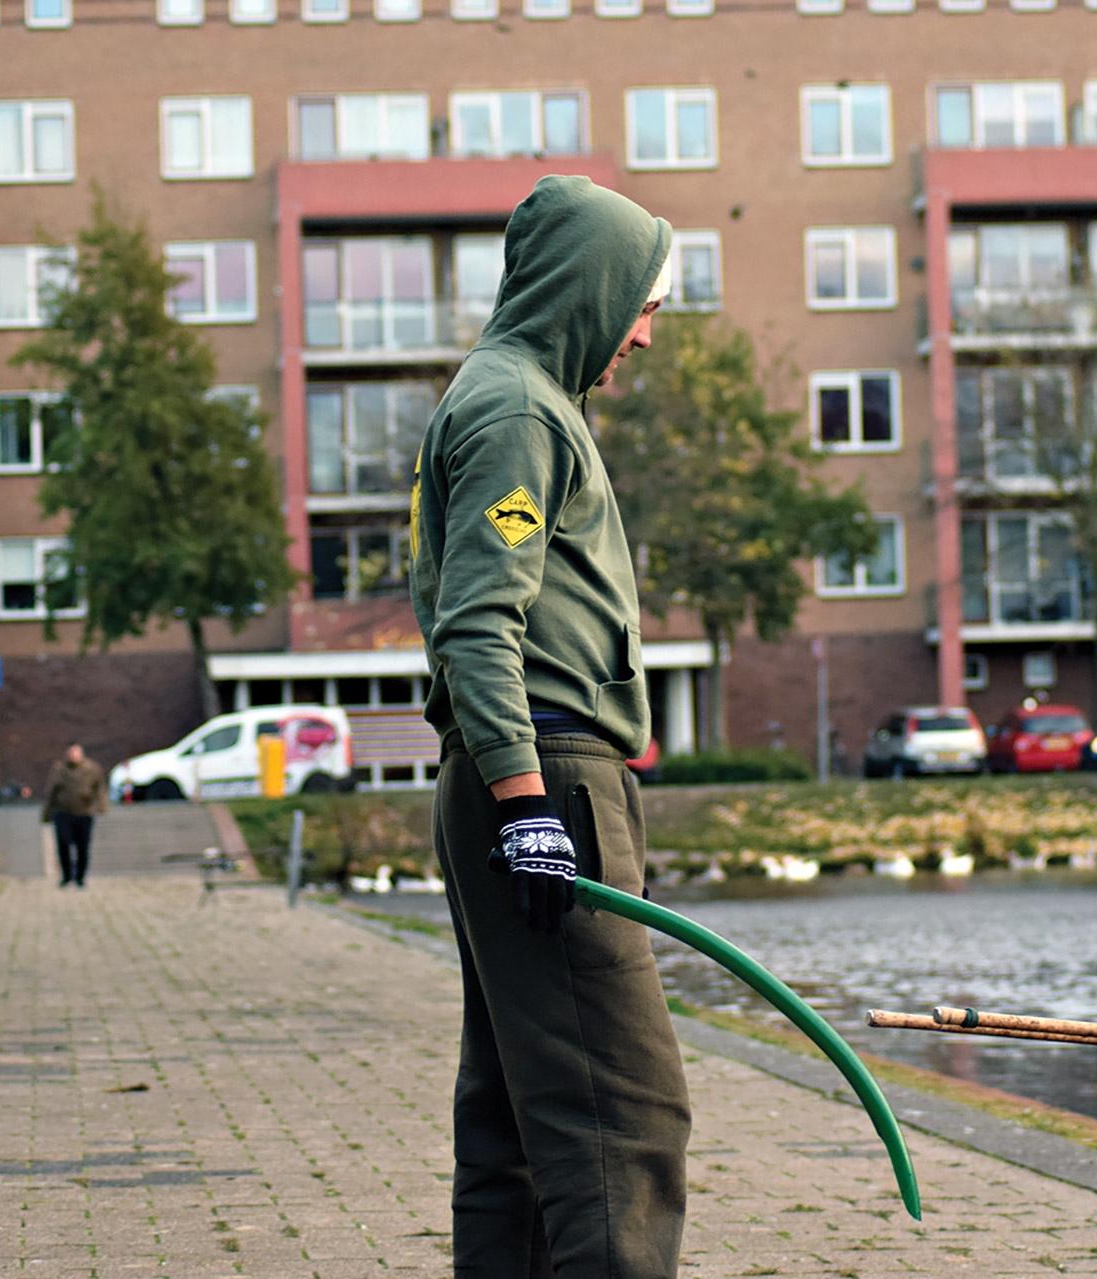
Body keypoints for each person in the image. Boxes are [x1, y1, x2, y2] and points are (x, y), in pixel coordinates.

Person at [410, 175, 690, 1279]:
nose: (645, 336)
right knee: (623, 1115)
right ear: (592, 287)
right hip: (546, 771)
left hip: (526, 773)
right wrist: (531, 806)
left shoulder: (509, 397)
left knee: (519, 1114)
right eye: (643, 306)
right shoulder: (519, 410)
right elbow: (480, 625)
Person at [41, 741, 106, 888]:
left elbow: (100, 788)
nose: (74, 755)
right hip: (63, 812)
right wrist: (46, 814)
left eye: (76, 752)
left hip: (84, 812)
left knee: (83, 846)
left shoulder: (92, 768)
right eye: (71, 752)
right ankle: (67, 876)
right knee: (63, 844)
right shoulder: (60, 770)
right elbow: (51, 792)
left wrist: (101, 806)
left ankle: (80, 877)